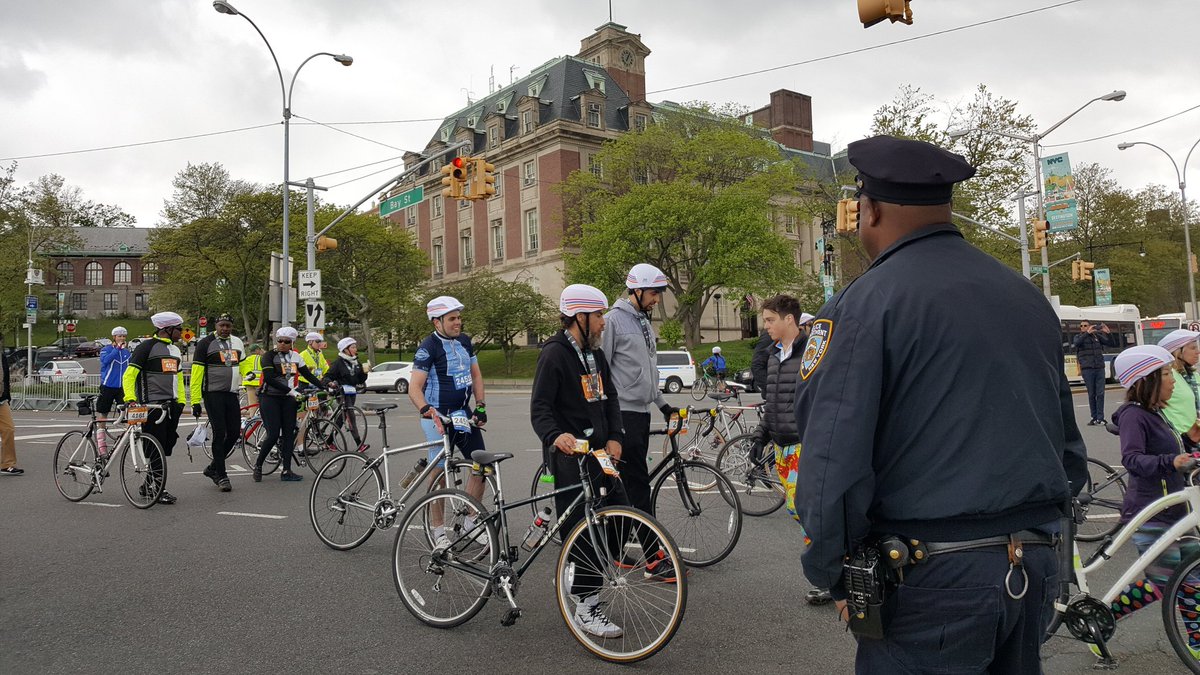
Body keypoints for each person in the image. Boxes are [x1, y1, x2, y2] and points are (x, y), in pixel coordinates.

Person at [794, 135, 1088, 673]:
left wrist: (833, 570)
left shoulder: (862, 304)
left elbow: (833, 454)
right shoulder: (1025, 296)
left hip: (930, 575)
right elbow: (1066, 443)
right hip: (1034, 561)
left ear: (871, 210)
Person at [531, 284, 636, 638]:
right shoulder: (554, 354)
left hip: (601, 453)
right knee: (580, 529)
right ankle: (585, 602)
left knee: (623, 513)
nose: (604, 323)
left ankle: (581, 574)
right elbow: (541, 408)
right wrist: (553, 436)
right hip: (570, 454)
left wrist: (616, 436)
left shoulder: (596, 355)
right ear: (580, 317)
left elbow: (611, 399)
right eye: (599, 315)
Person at [1105, 345, 1200, 654]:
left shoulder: (1157, 413)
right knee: (1165, 581)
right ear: (1146, 381)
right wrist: (1169, 462)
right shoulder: (1134, 416)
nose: (1173, 380)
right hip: (1151, 512)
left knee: (1192, 576)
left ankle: (1198, 642)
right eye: (1166, 374)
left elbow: (1179, 446)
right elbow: (1132, 459)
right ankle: (1104, 618)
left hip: (1175, 509)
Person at [600, 263, 679, 562]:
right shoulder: (613, 322)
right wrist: (607, 418)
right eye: (654, 293)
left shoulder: (645, 323)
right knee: (637, 484)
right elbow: (602, 371)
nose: (657, 299)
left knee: (626, 485)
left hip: (642, 412)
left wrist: (663, 404)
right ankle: (653, 556)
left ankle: (613, 550)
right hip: (623, 414)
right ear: (636, 290)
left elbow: (649, 370)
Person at [757, 294, 829, 605]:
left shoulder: (811, 355)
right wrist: (760, 437)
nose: (766, 327)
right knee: (797, 511)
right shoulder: (774, 355)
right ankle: (830, 569)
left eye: (771, 320)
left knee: (807, 511)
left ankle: (828, 577)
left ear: (790, 320)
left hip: (804, 444)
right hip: (780, 445)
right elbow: (773, 403)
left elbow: (821, 402)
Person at [408, 296, 488, 548]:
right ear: (437, 321)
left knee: (482, 466)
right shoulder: (428, 347)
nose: (458, 322)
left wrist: (481, 405)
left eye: (459, 317)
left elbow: (476, 375)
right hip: (438, 416)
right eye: (452, 318)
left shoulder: (464, 341)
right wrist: (426, 409)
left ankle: (470, 521)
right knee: (440, 474)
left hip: (462, 414)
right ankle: (438, 531)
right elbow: (414, 387)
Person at [123, 311, 188, 504]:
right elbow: (129, 375)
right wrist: (130, 399)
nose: (181, 332)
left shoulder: (175, 351)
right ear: (166, 329)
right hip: (151, 406)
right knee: (155, 448)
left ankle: (147, 484)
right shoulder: (146, 347)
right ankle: (158, 489)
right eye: (178, 329)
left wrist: (181, 401)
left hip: (171, 406)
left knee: (166, 447)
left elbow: (177, 379)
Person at [254, 326, 322, 483]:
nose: (283, 344)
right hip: (269, 398)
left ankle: (286, 470)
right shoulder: (269, 356)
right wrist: (290, 391)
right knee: (272, 434)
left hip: (287, 400)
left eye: (287, 341)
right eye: (280, 341)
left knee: (288, 435)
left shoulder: (296, 357)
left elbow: (308, 375)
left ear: (292, 342)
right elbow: (269, 378)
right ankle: (258, 465)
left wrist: (326, 386)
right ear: (276, 341)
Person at [189, 314, 245, 492]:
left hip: (231, 393)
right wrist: (195, 401)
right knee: (219, 433)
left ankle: (213, 467)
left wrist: (249, 375)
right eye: (222, 325)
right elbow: (196, 374)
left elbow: (243, 365)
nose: (225, 329)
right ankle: (222, 475)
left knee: (235, 433)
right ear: (216, 325)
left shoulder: (237, 342)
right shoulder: (205, 343)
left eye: (228, 325)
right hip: (212, 394)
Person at [326, 336, 370, 453]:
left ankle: (329, 441)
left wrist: (365, 373)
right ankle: (359, 444)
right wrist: (331, 383)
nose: (356, 349)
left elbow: (360, 380)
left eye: (355, 347)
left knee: (341, 418)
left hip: (352, 392)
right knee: (351, 416)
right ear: (345, 349)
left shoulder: (356, 362)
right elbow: (327, 376)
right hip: (342, 392)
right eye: (353, 347)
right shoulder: (338, 363)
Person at [96, 326, 132, 457]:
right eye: (119, 336)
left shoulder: (127, 352)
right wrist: (116, 349)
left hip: (122, 387)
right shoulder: (106, 350)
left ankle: (126, 439)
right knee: (103, 413)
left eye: (123, 336)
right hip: (108, 386)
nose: (122, 338)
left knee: (126, 413)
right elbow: (105, 361)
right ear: (114, 337)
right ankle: (101, 444)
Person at [1158, 329, 1200, 438]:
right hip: (1179, 439)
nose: (1198, 351)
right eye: (1193, 348)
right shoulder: (1167, 376)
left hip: (1196, 439)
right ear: (1177, 352)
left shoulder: (1194, 375)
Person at [1073, 319, 1116, 425]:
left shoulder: (1097, 337)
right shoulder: (1079, 337)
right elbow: (1077, 344)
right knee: (1091, 394)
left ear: (1089, 326)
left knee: (1100, 393)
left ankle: (1100, 418)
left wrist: (1108, 333)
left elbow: (1111, 343)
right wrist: (1087, 334)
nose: (1083, 327)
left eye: (1085, 325)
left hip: (1099, 368)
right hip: (1087, 369)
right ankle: (1094, 417)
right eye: (1081, 326)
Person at [0, 346, 20, 476]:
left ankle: (8, 464)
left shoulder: (1, 356)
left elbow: (5, 377)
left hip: (1, 399)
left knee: (8, 429)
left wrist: (7, 396)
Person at [241, 343, 264, 409]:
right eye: (260, 349)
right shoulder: (262, 358)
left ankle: (252, 416)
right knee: (261, 403)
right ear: (257, 350)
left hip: (248, 382)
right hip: (258, 383)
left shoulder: (246, 359)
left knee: (252, 404)